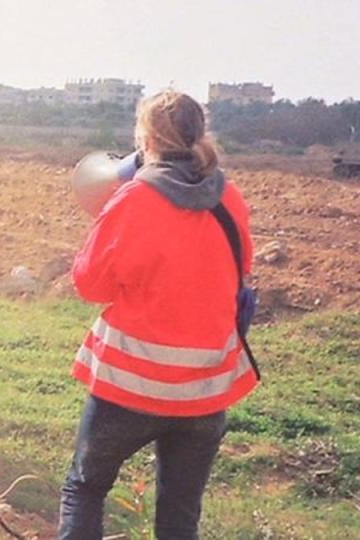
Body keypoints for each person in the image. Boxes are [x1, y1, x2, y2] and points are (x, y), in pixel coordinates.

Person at [58, 90, 259, 540]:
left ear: (144, 137)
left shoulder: (133, 201)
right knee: (179, 517)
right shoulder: (230, 198)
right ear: (199, 135)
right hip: (206, 388)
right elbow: (241, 270)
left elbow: (91, 285)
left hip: (130, 383)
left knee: (85, 489)